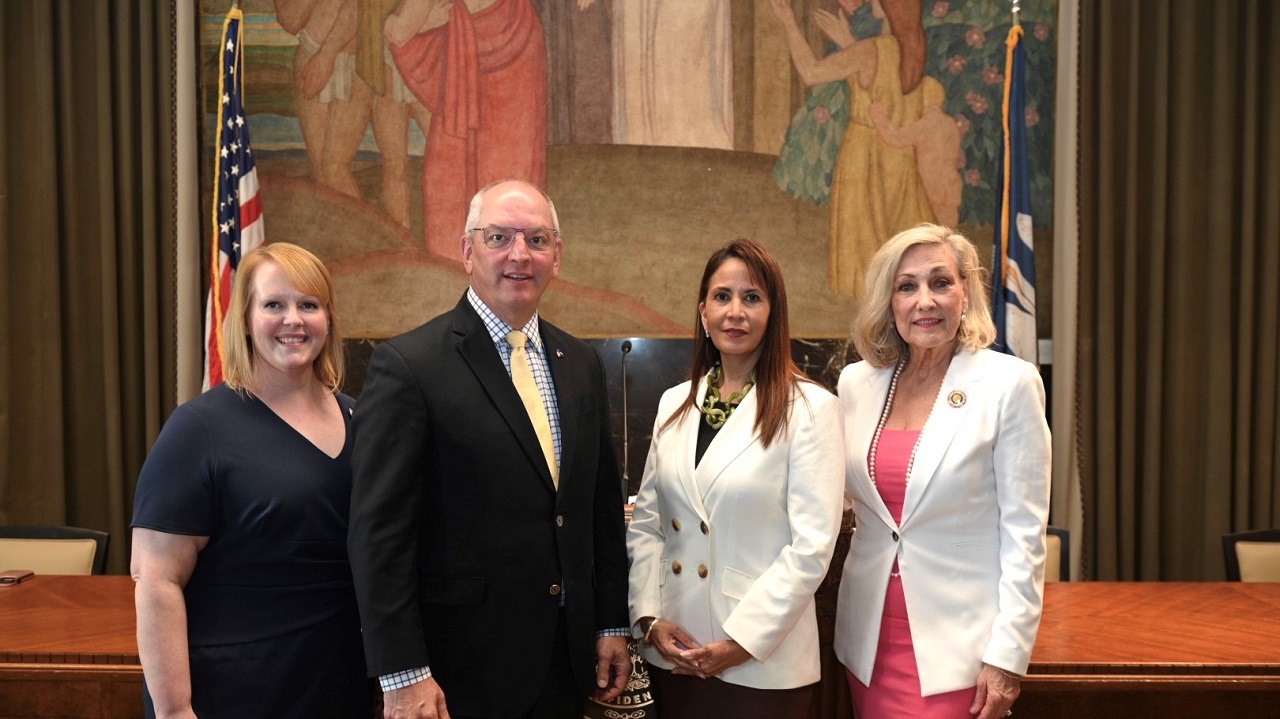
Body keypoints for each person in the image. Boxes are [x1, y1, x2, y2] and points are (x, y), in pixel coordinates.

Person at [347, 179, 631, 719]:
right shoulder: (409, 366)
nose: (519, 254)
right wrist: (403, 672)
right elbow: (378, 537)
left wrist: (611, 622)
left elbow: (596, 511)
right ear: (467, 251)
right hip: (457, 675)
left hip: (566, 668)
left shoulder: (581, 363)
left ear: (558, 255)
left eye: (537, 240)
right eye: (499, 237)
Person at [131, 242, 369, 718]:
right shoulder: (199, 429)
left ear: (329, 318)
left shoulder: (360, 417)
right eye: (273, 305)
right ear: (244, 317)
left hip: (343, 684)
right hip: (236, 691)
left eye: (309, 305)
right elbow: (156, 580)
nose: (293, 320)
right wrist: (175, 710)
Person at [833, 224, 1051, 719]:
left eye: (940, 283)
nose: (924, 301)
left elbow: (1024, 534)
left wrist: (1008, 656)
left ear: (966, 292)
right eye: (906, 286)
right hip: (868, 642)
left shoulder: (1008, 384)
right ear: (888, 301)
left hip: (960, 650)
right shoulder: (857, 384)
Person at [627, 239, 845, 717]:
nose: (735, 312)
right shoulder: (673, 403)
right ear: (703, 311)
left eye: (752, 298)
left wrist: (741, 643)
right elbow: (647, 525)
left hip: (760, 661)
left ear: (773, 312)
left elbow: (811, 550)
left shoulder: (811, 409)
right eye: (722, 296)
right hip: (676, 650)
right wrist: (648, 618)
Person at [770, 0, 936, 299]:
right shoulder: (913, 50)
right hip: (897, 158)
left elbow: (811, 72)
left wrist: (788, 21)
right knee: (896, 234)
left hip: (865, 152)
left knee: (864, 239)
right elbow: (877, 80)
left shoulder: (871, 50)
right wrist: (848, 42)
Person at [868, 77, 963, 229]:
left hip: (931, 183)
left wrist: (879, 117)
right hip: (951, 183)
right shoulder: (950, 124)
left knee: (930, 229)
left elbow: (896, 138)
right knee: (947, 230)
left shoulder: (926, 124)